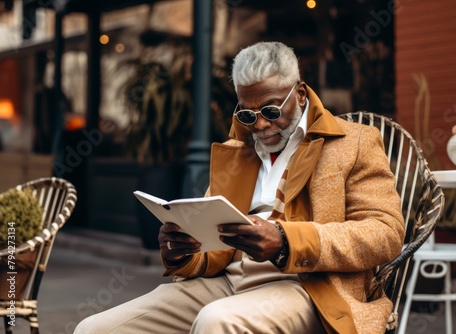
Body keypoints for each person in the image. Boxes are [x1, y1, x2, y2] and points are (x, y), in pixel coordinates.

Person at [75, 41, 404, 334]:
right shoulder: (237, 150)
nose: (260, 124)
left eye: (272, 109)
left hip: (310, 288)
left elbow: (385, 233)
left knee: (217, 321)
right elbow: (211, 248)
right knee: (93, 328)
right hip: (225, 282)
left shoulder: (355, 142)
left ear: (300, 94)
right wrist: (180, 249)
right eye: (247, 113)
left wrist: (285, 240)